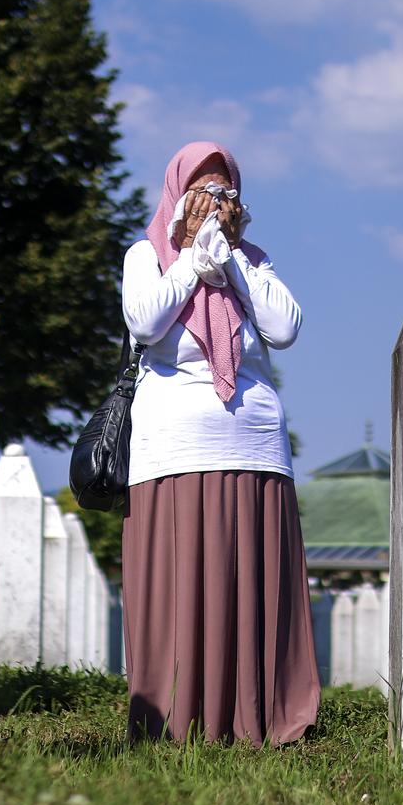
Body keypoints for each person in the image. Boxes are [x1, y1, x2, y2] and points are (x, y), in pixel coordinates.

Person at [120, 140, 319, 744]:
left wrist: (230, 260)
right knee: (180, 589)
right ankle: (177, 718)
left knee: (252, 587)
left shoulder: (253, 260)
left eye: (225, 192)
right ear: (176, 196)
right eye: (200, 191)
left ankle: (260, 716)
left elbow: (284, 328)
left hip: (253, 445)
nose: (214, 202)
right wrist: (191, 262)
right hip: (175, 445)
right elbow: (144, 322)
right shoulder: (146, 255)